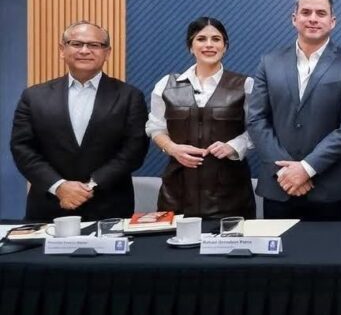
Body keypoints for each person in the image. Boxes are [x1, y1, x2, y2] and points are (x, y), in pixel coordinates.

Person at [247, 0, 341, 221]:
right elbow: (256, 119)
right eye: (306, 12)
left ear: (332, 21)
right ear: (294, 18)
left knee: (331, 248)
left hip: (331, 190)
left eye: (321, 13)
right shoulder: (269, 63)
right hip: (279, 185)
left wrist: (306, 168)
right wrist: (286, 171)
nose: (313, 18)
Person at [10, 20, 149, 220]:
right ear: (62, 50)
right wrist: (59, 187)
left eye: (94, 45)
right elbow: (22, 149)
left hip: (109, 207)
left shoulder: (129, 96)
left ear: (107, 53)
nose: (84, 50)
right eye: (76, 44)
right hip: (49, 206)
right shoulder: (34, 96)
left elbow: (134, 150)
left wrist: (90, 186)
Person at [145, 17, 256, 219]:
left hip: (230, 195)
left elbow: (258, 128)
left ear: (225, 46)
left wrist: (234, 146)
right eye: (201, 39)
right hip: (177, 192)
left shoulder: (245, 85)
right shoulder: (166, 84)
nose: (209, 45)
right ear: (190, 46)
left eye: (216, 39)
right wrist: (172, 148)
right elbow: (155, 127)